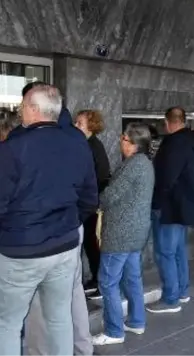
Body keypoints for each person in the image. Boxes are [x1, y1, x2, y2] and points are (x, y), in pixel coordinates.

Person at [0, 85, 98, 356]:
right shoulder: (77, 141)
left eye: (23, 106)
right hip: (65, 245)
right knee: (59, 318)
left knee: (7, 323)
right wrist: (66, 222)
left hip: (21, 250)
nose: (21, 111)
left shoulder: (12, 148)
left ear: (32, 109)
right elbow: (90, 197)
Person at [92, 123, 154, 346]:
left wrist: (96, 200)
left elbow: (111, 196)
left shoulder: (133, 165)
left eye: (123, 139)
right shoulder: (145, 163)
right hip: (136, 232)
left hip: (121, 233)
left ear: (134, 143)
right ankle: (136, 321)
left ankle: (114, 331)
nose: (120, 142)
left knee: (108, 282)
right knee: (132, 279)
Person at [147, 107, 194, 314]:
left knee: (165, 253)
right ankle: (182, 291)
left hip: (170, 206)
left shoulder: (173, 143)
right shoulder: (192, 140)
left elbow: (166, 178)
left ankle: (171, 299)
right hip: (186, 206)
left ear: (167, 121)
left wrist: (155, 200)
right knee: (178, 250)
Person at [74, 109, 112, 298]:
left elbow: (100, 175)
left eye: (80, 123)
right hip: (90, 201)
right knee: (89, 243)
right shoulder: (88, 144)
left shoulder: (92, 146)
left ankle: (98, 281)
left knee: (92, 244)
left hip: (91, 203)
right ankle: (96, 280)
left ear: (91, 125)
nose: (76, 126)